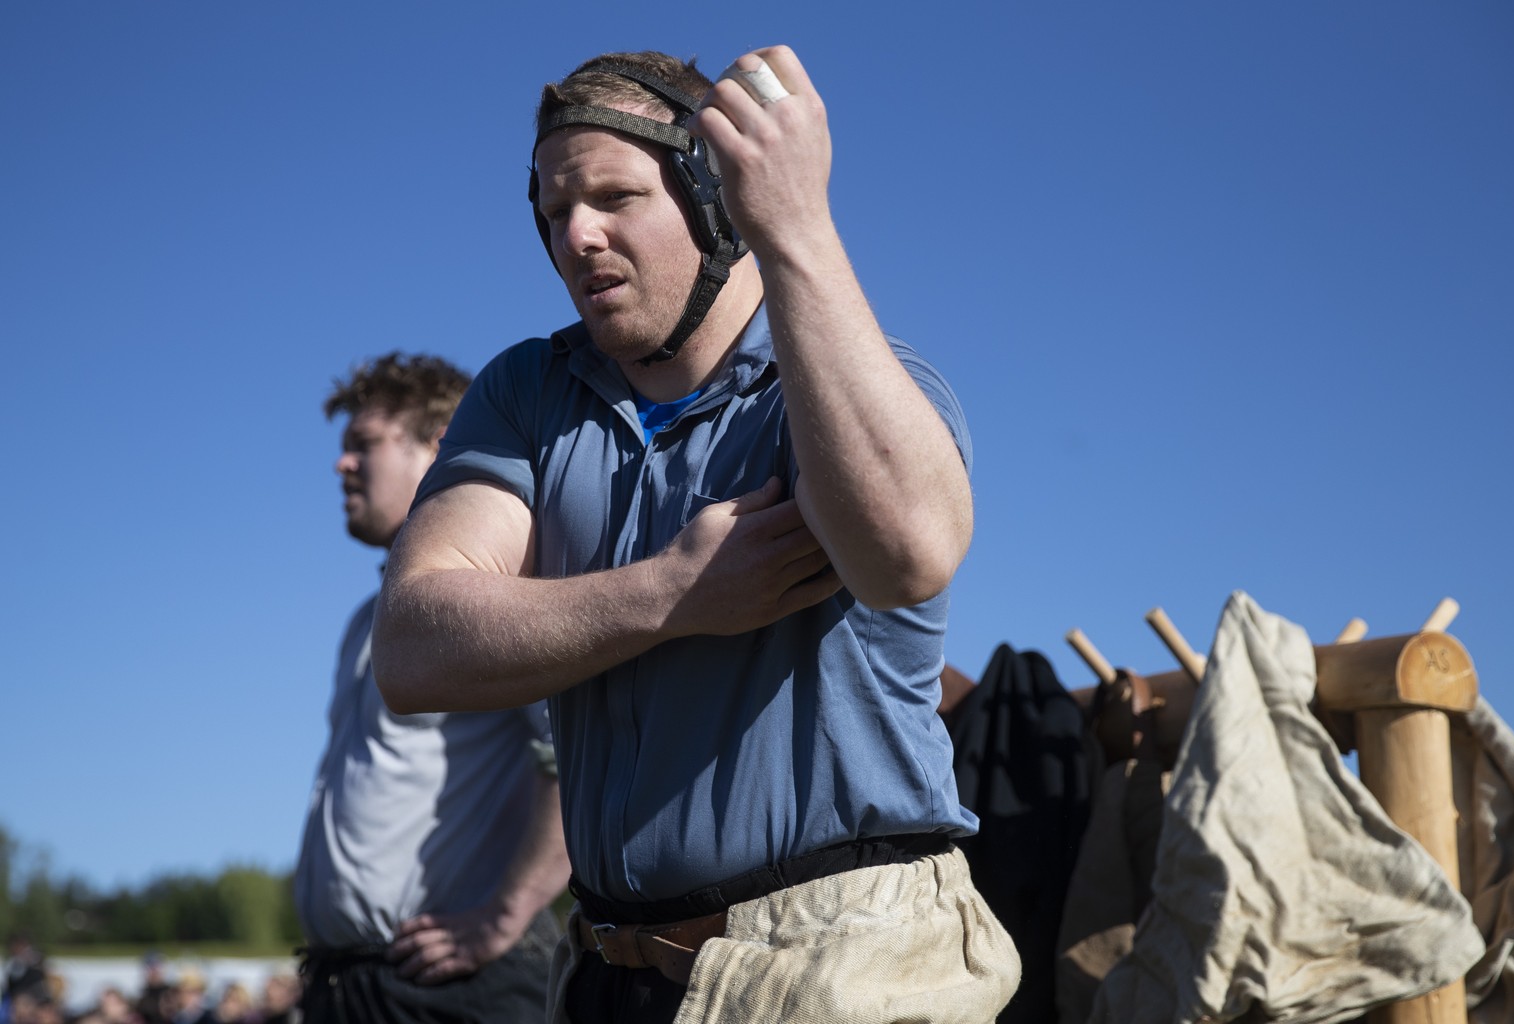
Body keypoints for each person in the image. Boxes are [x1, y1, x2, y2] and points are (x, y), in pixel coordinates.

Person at [373, 47, 1021, 1023]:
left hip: (845, 963)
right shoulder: (528, 394)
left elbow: (908, 551)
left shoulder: (859, 389)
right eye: (552, 212)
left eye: (614, 196)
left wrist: (794, 222)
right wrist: (672, 592)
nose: (576, 234)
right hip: (605, 970)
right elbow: (414, 645)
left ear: (719, 201)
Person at [294, 353, 570, 1023]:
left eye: (364, 444)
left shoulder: (494, 595)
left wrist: (506, 915)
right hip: (353, 989)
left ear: (439, 448)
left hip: (452, 989)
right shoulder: (369, 620)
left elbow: (574, 754)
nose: (342, 464)